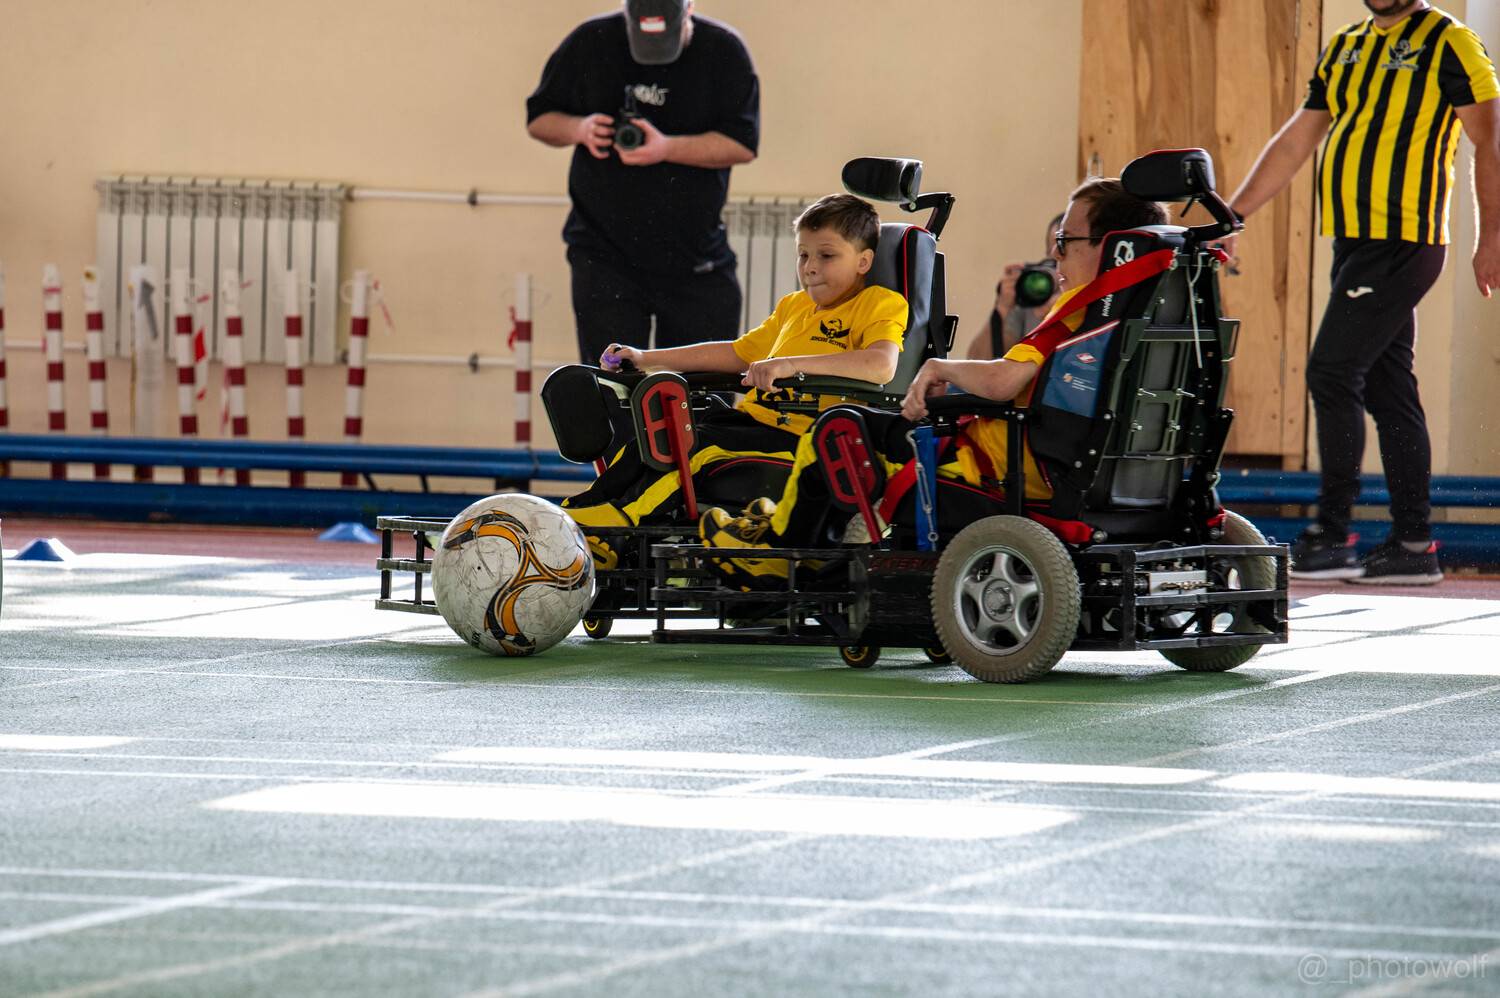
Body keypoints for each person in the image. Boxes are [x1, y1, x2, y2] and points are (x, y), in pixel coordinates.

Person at [699, 180, 1169, 581]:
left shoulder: (1080, 316)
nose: (1054, 252)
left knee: (838, 427)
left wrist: (940, 368)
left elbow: (1003, 381)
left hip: (996, 467)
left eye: (1066, 239)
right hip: (1097, 475)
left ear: (1109, 247)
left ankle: (777, 556)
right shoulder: (1149, 315)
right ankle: (800, 541)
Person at [1224, 0, 1499, 584]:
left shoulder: (1449, 41)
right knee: (1388, 386)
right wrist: (1234, 212)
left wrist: (1491, 236)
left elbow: (1490, 139)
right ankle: (1413, 545)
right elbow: (1298, 138)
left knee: (1331, 371)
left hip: (1403, 240)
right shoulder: (1346, 46)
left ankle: (1333, 534)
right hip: (1353, 241)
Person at [562, 193, 908, 565]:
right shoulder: (794, 306)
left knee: (698, 450)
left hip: (803, 439)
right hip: (754, 423)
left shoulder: (878, 303)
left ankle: (612, 527)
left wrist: (791, 365)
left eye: (826, 256)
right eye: (803, 255)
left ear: (863, 261)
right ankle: (578, 514)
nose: (810, 267)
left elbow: (881, 365)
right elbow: (737, 353)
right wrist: (647, 358)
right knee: (657, 440)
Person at [525, 0, 759, 363]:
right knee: (610, 384)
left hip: (695, 258)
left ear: (688, 11)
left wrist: (666, 148)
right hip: (603, 254)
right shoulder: (590, 41)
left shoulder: (723, 50)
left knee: (700, 387)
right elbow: (539, 118)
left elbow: (743, 144)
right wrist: (580, 128)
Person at [964, 213, 1065, 359]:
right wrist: (1002, 308)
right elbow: (978, 361)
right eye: (1052, 257)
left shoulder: (1093, 299)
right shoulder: (1032, 295)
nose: (1057, 261)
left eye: (1062, 250)